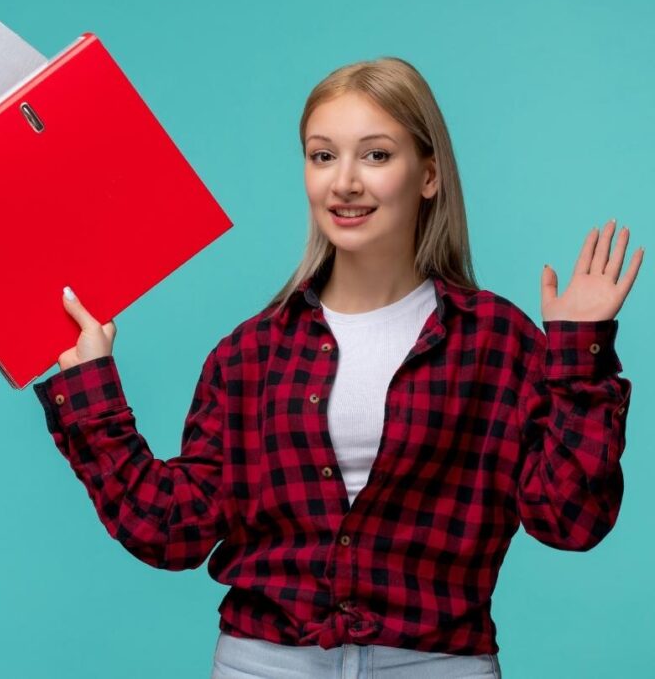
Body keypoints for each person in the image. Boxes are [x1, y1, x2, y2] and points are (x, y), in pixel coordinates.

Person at [32, 56, 643, 679]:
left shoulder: (495, 340)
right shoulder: (251, 354)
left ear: (428, 174)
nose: (344, 181)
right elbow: (171, 530)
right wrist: (92, 395)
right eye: (323, 155)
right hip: (264, 666)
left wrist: (580, 353)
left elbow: (570, 520)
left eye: (376, 155)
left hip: (437, 666)